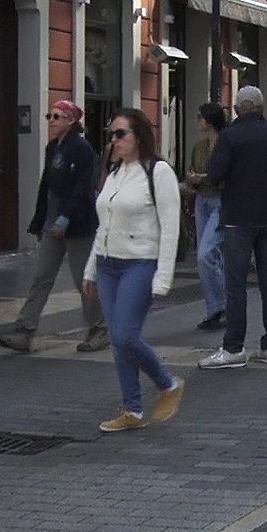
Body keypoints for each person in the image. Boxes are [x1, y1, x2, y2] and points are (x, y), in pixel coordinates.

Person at [81, 108, 185, 431]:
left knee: (125, 335)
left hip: (139, 262)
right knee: (119, 340)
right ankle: (132, 410)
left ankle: (168, 383)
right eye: (110, 134)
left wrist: (163, 278)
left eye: (120, 134)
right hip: (107, 263)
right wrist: (91, 269)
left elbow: (170, 228)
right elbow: (103, 226)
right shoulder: (114, 173)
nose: (114, 140)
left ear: (138, 136)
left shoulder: (159, 172)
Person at [200, 85, 267, 369]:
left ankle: (234, 347)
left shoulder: (229, 137)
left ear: (237, 109)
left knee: (236, 285)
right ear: (260, 108)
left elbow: (214, 174)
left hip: (238, 219)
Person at [0, 99, 107, 354]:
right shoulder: (52, 148)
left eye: (57, 117)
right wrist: (40, 220)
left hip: (78, 224)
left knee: (84, 279)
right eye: (50, 116)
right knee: (42, 277)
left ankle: (99, 328)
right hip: (52, 222)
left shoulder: (82, 149)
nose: (52, 121)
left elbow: (82, 188)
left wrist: (65, 217)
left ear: (71, 120)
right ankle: (24, 331)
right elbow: (45, 186)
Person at [184, 102, 230, 331]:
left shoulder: (226, 143)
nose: (197, 121)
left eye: (199, 117)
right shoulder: (199, 146)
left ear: (210, 120)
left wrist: (203, 177)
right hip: (202, 201)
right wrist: (193, 178)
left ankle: (222, 306)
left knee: (205, 254)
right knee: (210, 257)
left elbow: (223, 176)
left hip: (221, 201)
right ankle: (215, 309)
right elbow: (192, 171)